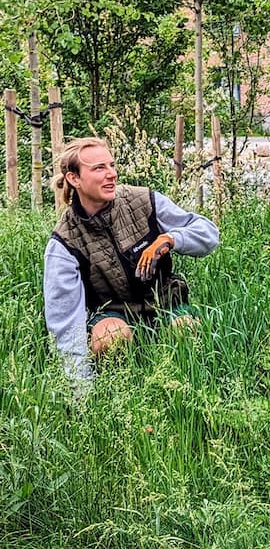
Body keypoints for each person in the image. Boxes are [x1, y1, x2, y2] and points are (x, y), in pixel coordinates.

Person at [43, 136, 219, 397]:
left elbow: (208, 234)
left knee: (187, 329)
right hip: (112, 315)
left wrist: (172, 238)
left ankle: (189, 395)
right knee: (109, 338)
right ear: (74, 179)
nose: (111, 174)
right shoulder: (65, 243)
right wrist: (82, 396)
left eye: (111, 165)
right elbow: (66, 326)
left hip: (164, 304)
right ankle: (119, 395)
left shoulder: (143, 201)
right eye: (99, 168)